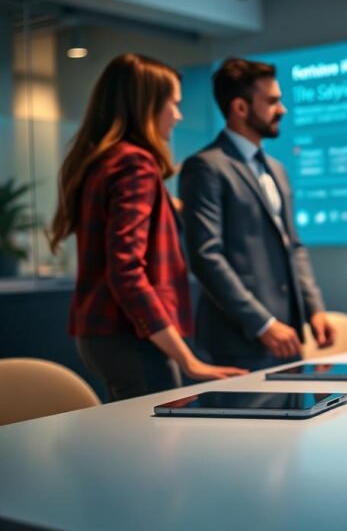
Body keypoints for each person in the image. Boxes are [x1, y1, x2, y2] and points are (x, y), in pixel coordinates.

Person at [49, 53, 246, 401]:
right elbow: (126, 270)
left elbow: (148, 220)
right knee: (158, 433)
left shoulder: (106, 161)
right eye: (174, 104)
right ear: (146, 105)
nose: (178, 115)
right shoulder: (135, 164)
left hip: (107, 334)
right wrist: (187, 360)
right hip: (130, 335)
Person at [179, 58, 335, 371]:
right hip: (240, 339)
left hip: (289, 335)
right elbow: (206, 257)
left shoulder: (277, 168)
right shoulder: (206, 167)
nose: (283, 110)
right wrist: (262, 323)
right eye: (272, 101)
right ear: (240, 107)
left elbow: (294, 246)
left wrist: (314, 308)